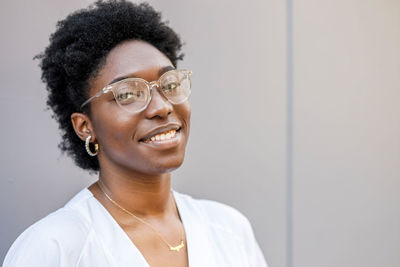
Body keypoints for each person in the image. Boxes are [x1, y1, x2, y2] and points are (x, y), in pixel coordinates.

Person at [3, 1, 268, 266]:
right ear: (85, 126)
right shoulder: (56, 247)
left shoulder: (229, 231)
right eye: (128, 94)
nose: (162, 107)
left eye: (170, 84)